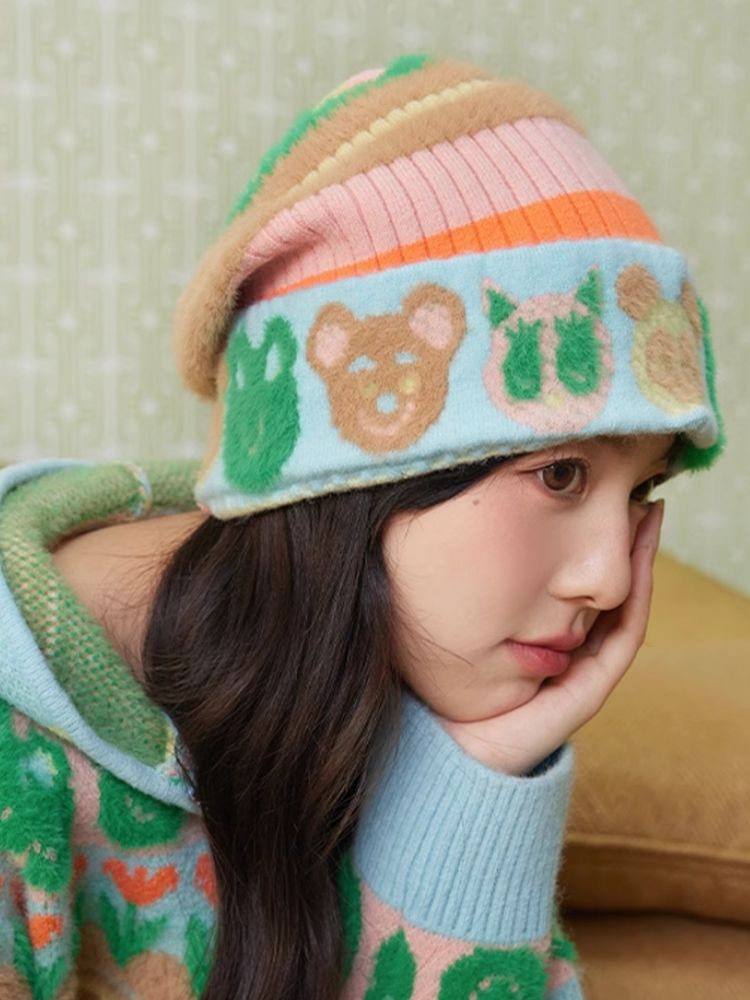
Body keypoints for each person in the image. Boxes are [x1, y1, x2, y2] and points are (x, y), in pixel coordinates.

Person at [0, 53, 724, 1000]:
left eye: (640, 492)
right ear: (350, 470)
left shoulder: (390, 661)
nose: (611, 579)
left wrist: (480, 785)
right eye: (560, 473)